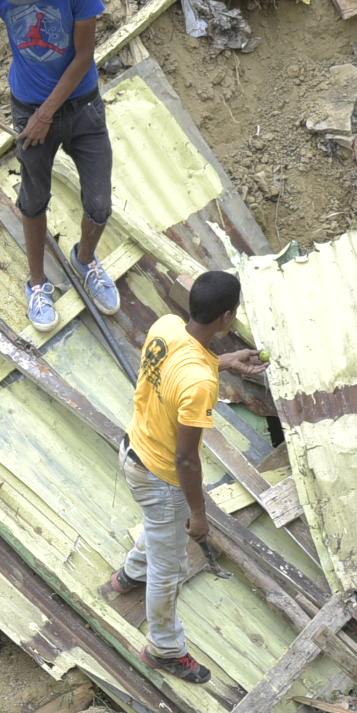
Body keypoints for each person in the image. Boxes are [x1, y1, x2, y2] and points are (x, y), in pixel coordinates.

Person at [110, 271, 269, 682]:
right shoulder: (199, 384)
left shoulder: (167, 326)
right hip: (161, 475)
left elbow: (183, 367)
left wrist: (222, 362)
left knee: (159, 527)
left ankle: (129, 575)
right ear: (228, 317)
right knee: (170, 567)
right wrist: (199, 515)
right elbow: (186, 459)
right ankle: (164, 648)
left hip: (133, 450)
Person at [0, 0, 118, 332]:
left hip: (82, 108)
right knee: (33, 199)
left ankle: (85, 260)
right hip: (28, 107)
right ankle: (38, 283)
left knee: (99, 204)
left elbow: (83, 56)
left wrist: (48, 114)